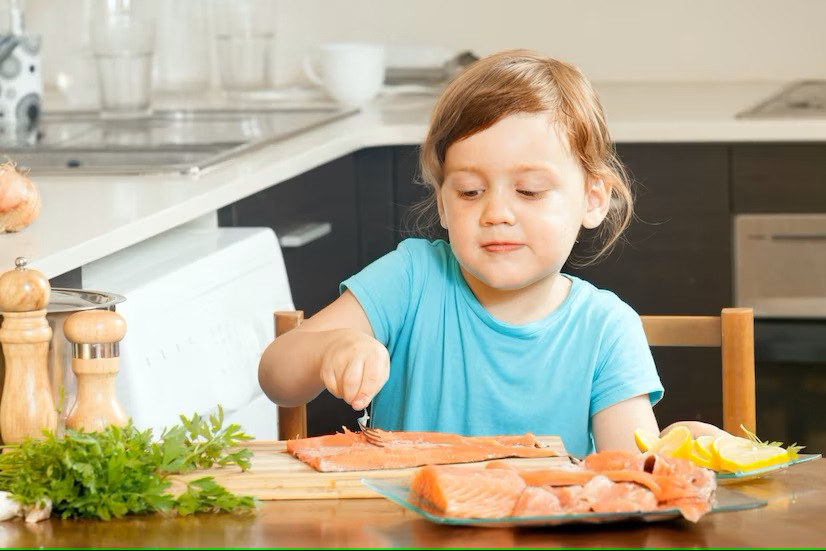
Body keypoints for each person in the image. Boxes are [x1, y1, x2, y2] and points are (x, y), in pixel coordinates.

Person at [259, 49, 666, 457]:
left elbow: (634, 472)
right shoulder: (410, 278)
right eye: (470, 192)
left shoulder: (607, 328)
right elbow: (276, 375)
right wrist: (331, 348)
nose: (496, 213)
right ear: (442, 203)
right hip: (404, 518)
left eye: (529, 191)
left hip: (550, 520)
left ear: (593, 200)